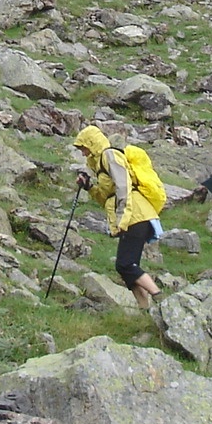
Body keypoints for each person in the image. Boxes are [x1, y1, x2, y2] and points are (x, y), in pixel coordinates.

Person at [74, 125, 166, 309]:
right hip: (133, 216)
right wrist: (89, 187)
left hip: (136, 215)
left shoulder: (110, 155)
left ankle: (159, 296)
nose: (83, 153)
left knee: (125, 264)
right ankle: (144, 308)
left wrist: (121, 220)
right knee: (127, 267)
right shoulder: (99, 165)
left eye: (84, 148)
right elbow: (108, 199)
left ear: (92, 144)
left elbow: (124, 187)